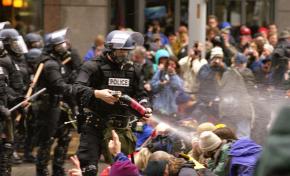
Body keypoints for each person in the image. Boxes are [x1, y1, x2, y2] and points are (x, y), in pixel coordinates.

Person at [73, 30, 152, 175]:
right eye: (120, 51)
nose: (123, 54)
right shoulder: (92, 66)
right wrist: (97, 94)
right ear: (110, 49)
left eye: (126, 51)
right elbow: (76, 89)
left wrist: (145, 107)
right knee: (88, 170)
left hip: (121, 127)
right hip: (94, 126)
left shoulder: (133, 69)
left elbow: (141, 94)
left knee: (125, 170)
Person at [35, 28, 74, 176]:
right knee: (47, 140)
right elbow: (58, 85)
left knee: (65, 136)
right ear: (53, 47)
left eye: (63, 45)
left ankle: (58, 169)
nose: (63, 48)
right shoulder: (50, 63)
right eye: (60, 45)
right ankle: (42, 171)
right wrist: (75, 89)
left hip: (59, 105)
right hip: (49, 106)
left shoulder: (59, 62)